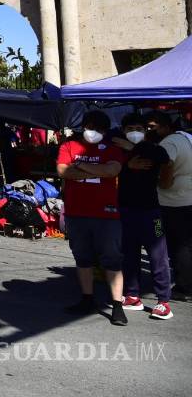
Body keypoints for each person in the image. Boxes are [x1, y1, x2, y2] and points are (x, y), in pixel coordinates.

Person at [56, 110, 128, 326]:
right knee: (82, 257)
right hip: (77, 212)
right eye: (89, 127)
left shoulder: (113, 148)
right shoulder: (69, 146)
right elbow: (62, 171)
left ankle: (117, 305)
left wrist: (79, 166)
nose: (92, 132)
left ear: (105, 131)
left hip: (106, 213)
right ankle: (87, 298)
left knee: (112, 258)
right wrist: (98, 171)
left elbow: (113, 170)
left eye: (98, 129)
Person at [112, 113, 173, 319]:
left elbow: (164, 158)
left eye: (139, 129)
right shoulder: (118, 149)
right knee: (129, 254)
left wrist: (134, 149)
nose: (134, 133)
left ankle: (163, 301)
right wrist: (128, 164)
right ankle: (132, 295)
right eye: (130, 129)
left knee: (158, 256)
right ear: (123, 131)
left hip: (151, 212)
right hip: (126, 210)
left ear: (146, 131)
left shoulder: (153, 150)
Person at [153, 111, 192, 303]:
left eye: (154, 127)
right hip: (186, 197)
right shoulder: (186, 138)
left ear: (166, 127)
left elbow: (167, 164)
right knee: (186, 244)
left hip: (173, 201)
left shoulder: (169, 143)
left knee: (179, 245)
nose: (150, 131)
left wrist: (163, 184)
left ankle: (184, 286)